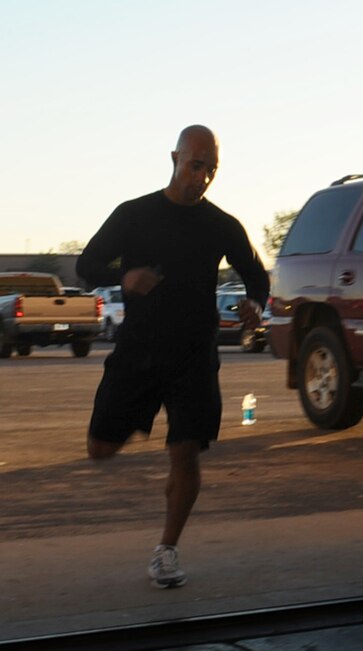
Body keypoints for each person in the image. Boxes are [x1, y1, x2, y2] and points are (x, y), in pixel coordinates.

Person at [77, 125, 269, 588]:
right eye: (195, 165)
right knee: (100, 450)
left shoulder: (222, 224)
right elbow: (86, 267)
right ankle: (139, 423)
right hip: (138, 351)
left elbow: (256, 276)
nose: (201, 177)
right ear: (174, 159)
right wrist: (126, 278)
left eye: (211, 169)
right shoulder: (134, 214)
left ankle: (166, 550)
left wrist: (254, 306)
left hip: (193, 354)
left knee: (185, 455)